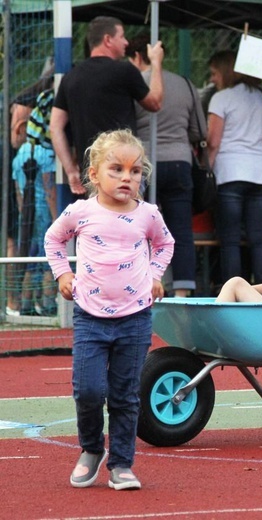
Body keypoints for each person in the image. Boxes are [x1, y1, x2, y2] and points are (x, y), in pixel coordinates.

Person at [44, 129, 174, 490]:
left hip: (135, 318)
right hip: (89, 317)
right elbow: (53, 239)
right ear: (94, 173)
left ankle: (121, 463)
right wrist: (63, 274)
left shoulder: (148, 214)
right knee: (88, 391)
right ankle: (90, 449)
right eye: (116, 169)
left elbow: (165, 244)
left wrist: (154, 275)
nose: (126, 177)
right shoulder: (81, 211)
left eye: (134, 171)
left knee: (124, 395)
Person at [126, 33, 207, 298]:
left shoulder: (134, 83)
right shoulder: (185, 84)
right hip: (180, 162)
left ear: (138, 56)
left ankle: (142, 285)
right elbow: (199, 131)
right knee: (181, 228)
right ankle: (183, 289)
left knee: (141, 226)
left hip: (144, 163)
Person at [50, 16, 164, 197]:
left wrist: (71, 170)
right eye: (122, 36)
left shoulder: (70, 78)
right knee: (127, 221)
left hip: (91, 173)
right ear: (108, 40)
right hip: (123, 171)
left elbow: (55, 127)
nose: (126, 42)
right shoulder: (125, 71)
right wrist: (156, 63)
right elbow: (155, 102)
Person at [206, 50, 262, 287]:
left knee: (231, 240)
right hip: (260, 174)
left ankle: (233, 290)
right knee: (258, 239)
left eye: (214, 74)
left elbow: (213, 141)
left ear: (226, 71)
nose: (212, 80)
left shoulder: (221, 99)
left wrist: (207, 170)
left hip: (230, 173)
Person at [11, 87, 57, 316]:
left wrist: (22, 214)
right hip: (45, 216)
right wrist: (57, 217)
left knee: (30, 257)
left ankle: (27, 302)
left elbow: (19, 193)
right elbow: (50, 190)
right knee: (49, 258)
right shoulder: (47, 155)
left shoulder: (19, 156)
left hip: (27, 217)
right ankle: (48, 302)